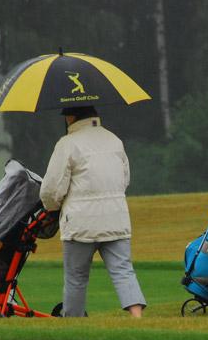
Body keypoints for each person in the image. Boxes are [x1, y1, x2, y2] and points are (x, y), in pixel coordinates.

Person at [40, 106, 146, 317]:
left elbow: (52, 188)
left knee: (76, 277)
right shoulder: (114, 140)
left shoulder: (67, 144)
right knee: (123, 271)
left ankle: (73, 322)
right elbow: (125, 180)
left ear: (71, 117)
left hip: (80, 223)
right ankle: (138, 317)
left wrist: (52, 207)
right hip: (116, 218)